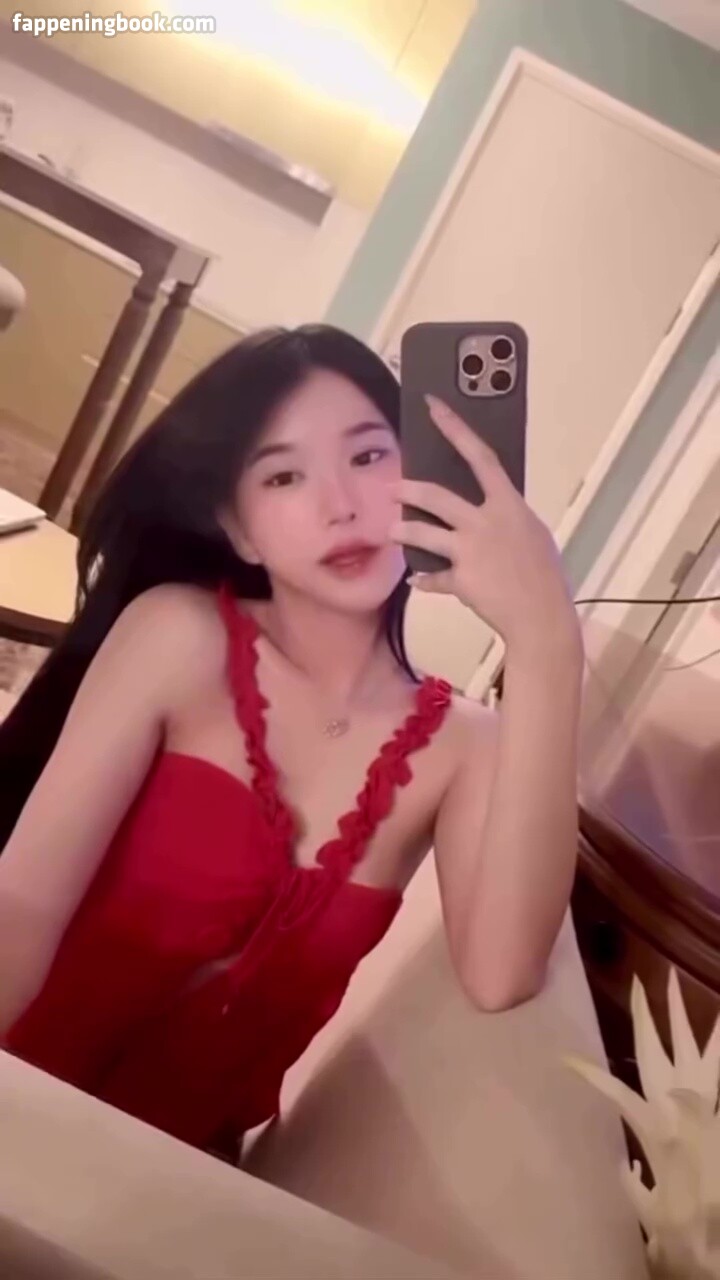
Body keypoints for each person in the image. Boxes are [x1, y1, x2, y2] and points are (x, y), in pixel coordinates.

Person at [0, 324, 583, 1160]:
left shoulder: (466, 747)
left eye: (370, 456)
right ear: (238, 530)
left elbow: (501, 975)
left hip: (167, 1197)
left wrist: (547, 640)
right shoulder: (179, 636)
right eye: (283, 475)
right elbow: (19, 916)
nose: (338, 504)